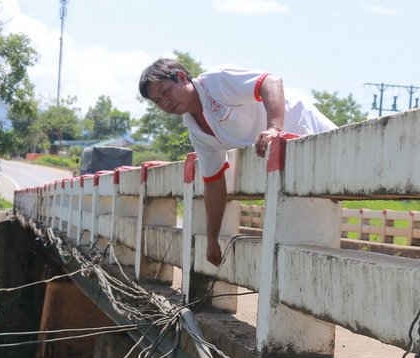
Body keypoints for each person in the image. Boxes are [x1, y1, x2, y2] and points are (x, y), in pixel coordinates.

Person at [138, 58, 336, 266]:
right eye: (158, 100)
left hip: (311, 133)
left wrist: (274, 128)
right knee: (300, 240)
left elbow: (271, 81)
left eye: (166, 92)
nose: (165, 103)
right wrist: (212, 239)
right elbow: (213, 181)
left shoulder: (215, 82)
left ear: (181, 77)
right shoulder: (195, 131)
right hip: (287, 166)